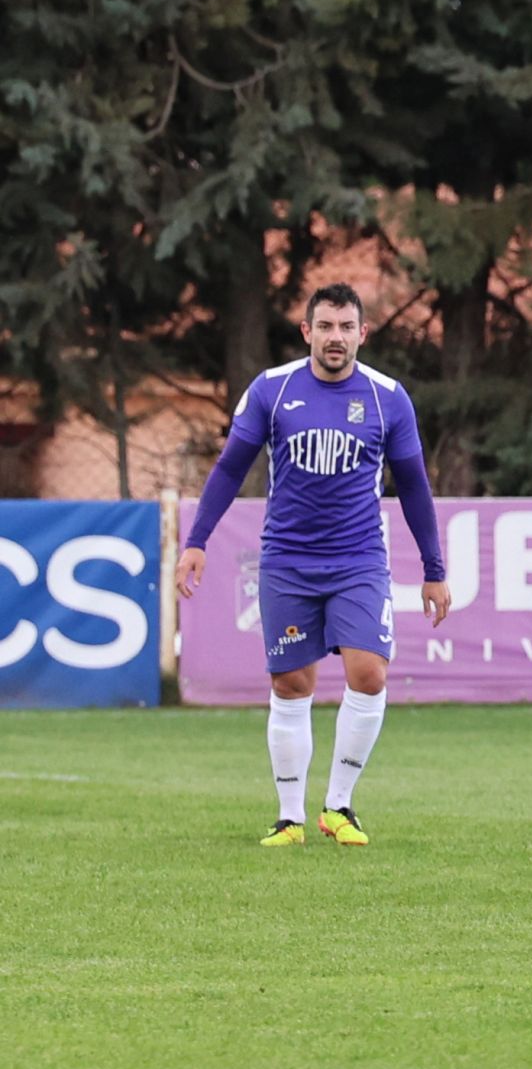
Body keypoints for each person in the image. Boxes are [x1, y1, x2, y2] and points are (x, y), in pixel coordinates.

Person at [176, 283, 450, 846]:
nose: (336, 337)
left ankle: (340, 808)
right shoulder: (271, 390)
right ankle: (290, 818)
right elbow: (230, 467)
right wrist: (197, 539)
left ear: (362, 333)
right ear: (307, 331)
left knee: (369, 672)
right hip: (288, 560)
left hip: (359, 560)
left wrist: (434, 567)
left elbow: (415, 486)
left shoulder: (387, 397)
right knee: (291, 682)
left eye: (347, 327)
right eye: (325, 326)